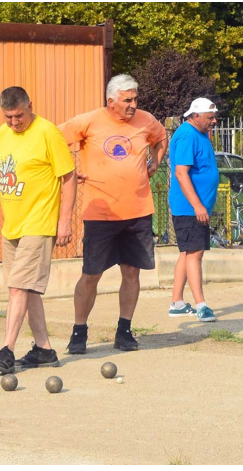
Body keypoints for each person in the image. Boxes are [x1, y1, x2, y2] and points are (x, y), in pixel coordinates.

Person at [0, 86, 77, 373]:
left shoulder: (47, 133)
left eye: (18, 115)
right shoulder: (3, 133)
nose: (14, 122)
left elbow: (69, 176)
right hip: (12, 226)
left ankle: (6, 350)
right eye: (8, 117)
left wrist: (65, 220)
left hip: (39, 224)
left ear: (30, 105)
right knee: (26, 290)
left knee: (18, 287)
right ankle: (44, 349)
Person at [59, 74, 167, 353]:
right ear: (111, 102)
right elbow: (53, 141)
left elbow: (161, 138)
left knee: (131, 272)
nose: (133, 105)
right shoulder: (88, 121)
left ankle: (124, 331)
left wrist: (156, 161)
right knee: (91, 274)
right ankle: (79, 332)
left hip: (138, 212)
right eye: (127, 100)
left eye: (135, 99)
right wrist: (69, 171)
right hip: (100, 213)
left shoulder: (146, 120)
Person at [167, 98, 221, 321]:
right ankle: (201, 305)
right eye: (210, 118)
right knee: (195, 253)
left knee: (187, 252)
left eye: (214, 117)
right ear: (196, 116)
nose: (214, 121)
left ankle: (177, 303)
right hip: (189, 208)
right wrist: (198, 205)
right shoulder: (187, 135)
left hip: (195, 207)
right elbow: (181, 173)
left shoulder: (200, 133)